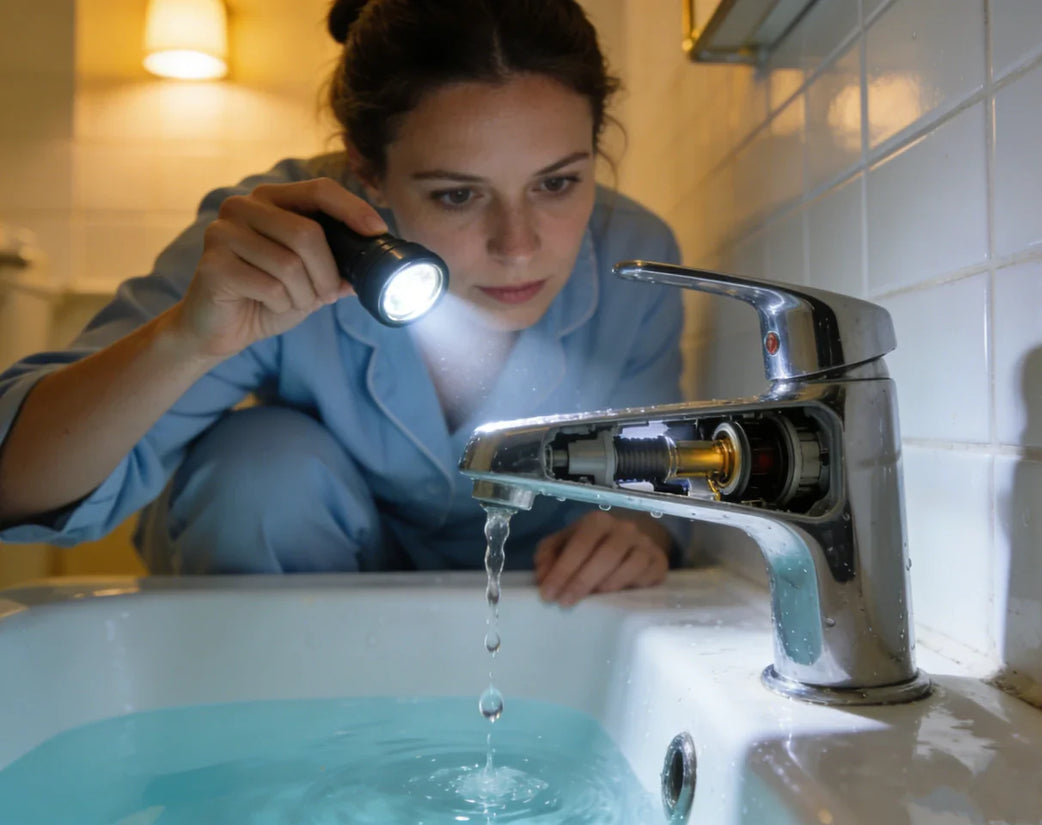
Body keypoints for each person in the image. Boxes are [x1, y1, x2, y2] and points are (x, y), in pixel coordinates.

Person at [0, 0, 688, 605]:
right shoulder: (275, 240)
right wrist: (185, 338)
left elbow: (657, 481)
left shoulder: (634, 259)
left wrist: (640, 527)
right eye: (457, 194)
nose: (517, 245)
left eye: (557, 183)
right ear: (367, 168)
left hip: (529, 617)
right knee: (261, 467)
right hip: (284, 627)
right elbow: (14, 484)